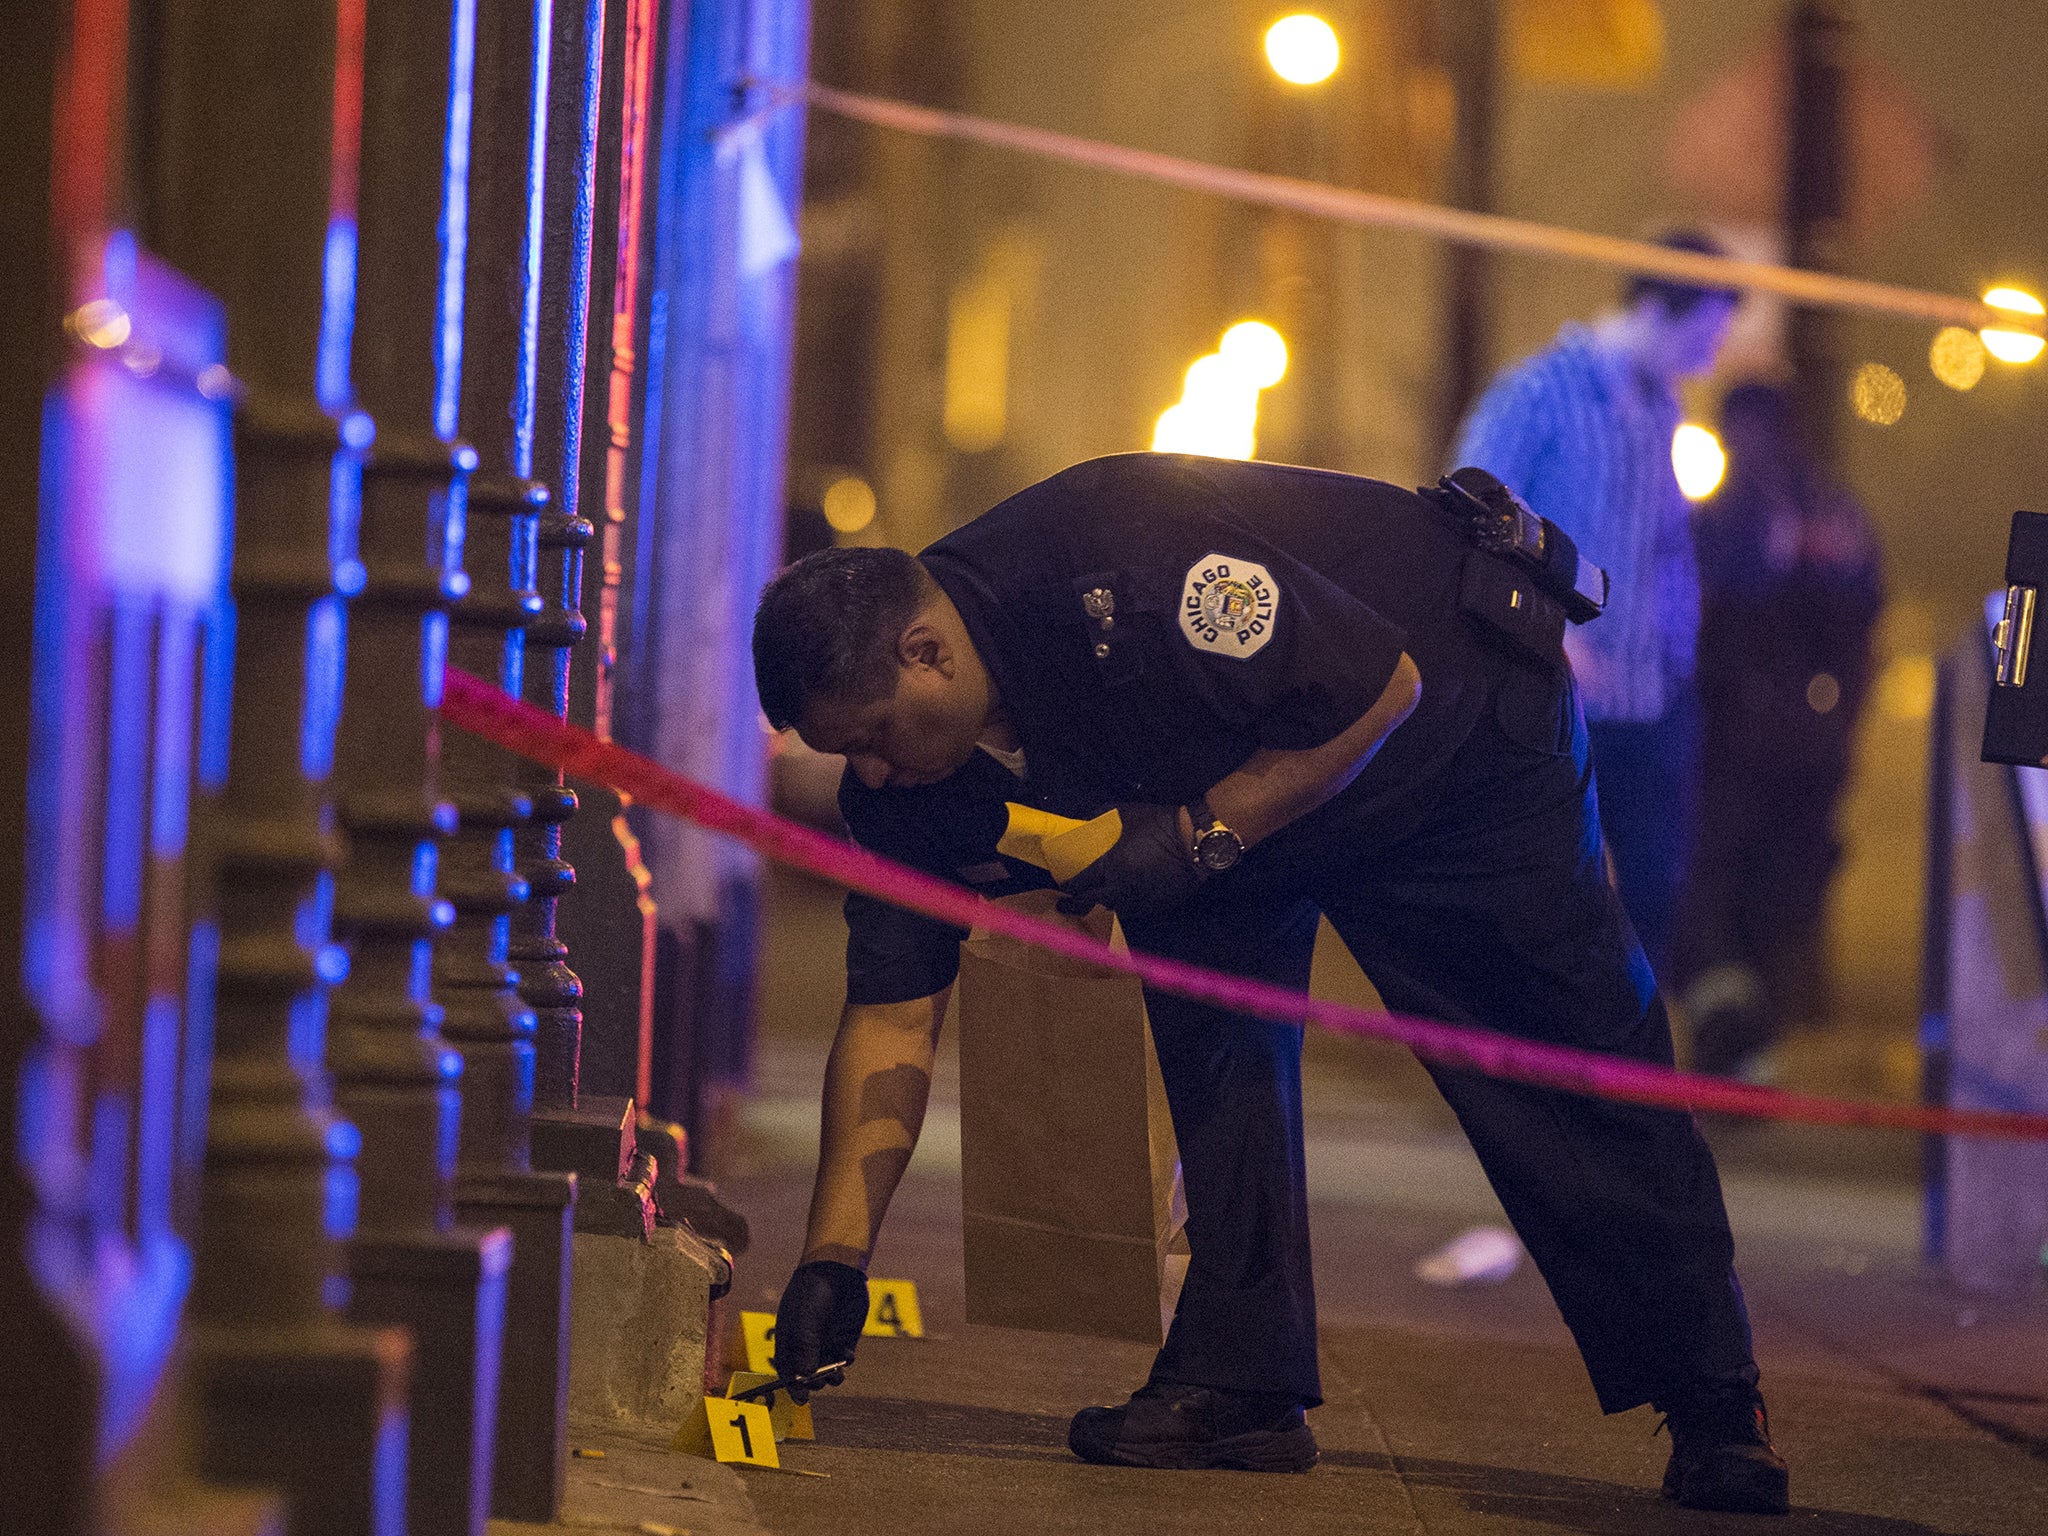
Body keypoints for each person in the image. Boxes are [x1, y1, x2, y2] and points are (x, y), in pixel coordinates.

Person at [750, 452, 1788, 1515]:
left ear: (924, 653)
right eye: (845, 756)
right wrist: (834, 1261)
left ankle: (1711, 1399)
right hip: (1222, 789)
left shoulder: (1123, 553)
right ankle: (1239, 1379)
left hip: (1449, 739)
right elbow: (890, 1009)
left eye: (872, 737)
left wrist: (1202, 837)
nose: (867, 776)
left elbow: (1377, 687)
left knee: (1561, 1063)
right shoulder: (904, 791)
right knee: (1215, 1050)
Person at [1450, 231, 1741, 977]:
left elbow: (1663, 549)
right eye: (1701, 339)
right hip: (1559, 695)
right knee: (1544, 895)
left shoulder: (1659, 408)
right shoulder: (1537, 392)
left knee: (1649, 894)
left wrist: (1681, 659)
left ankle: (1620, 1067)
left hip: (1650, 703)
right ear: (1653, 308)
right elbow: (1467, 513)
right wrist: (1554, 637)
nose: (1708, 361)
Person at [1677, 383, 1884, 1078]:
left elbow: (1853, 620)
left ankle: (1739, 1042)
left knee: (1745, 894)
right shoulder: (1811, 512)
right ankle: (1735, 1043)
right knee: (1742, 896)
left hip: (1761, 743)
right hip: (1767, 742)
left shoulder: (1803, 514)